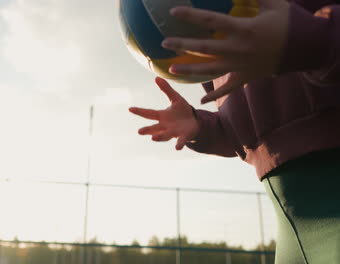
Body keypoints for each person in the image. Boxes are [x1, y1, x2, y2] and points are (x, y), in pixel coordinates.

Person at [129, 0, 340, 263]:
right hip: (291, 227)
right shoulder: (216, 27)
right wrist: (201, 127)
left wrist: (314, 39)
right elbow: (253, 129)